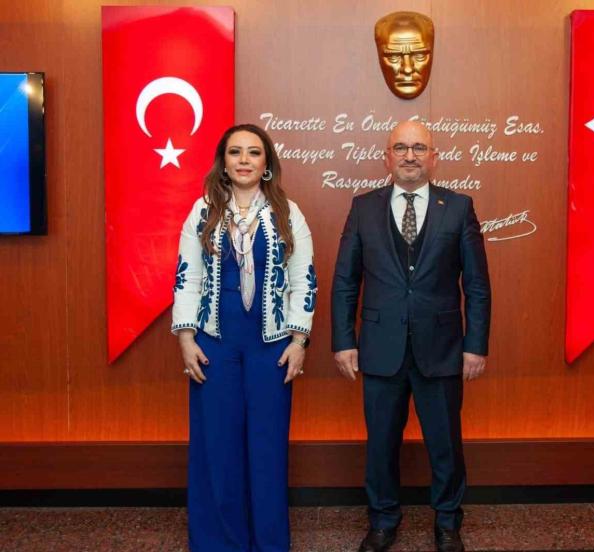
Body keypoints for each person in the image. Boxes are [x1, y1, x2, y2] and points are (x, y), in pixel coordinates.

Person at [331, 121, 491, 552]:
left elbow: (477, 285)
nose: (409, 155)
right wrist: (344, 340)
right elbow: (345, 281)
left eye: (419, 148)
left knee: (445, 444)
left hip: (442, 349)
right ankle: (382, 520)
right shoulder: (363, 208)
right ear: (386, 157)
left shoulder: (458, 207)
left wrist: (475, 345)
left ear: (434, 157)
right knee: (381, 443)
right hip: (380, 348)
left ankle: (448, 522)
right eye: (400, 147)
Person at [172, 123, 316, 552]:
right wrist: (186, 339)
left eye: (254, 152)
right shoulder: (203, 211)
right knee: (217, 445)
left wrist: (299, 342)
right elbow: (187, 278)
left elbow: (303, 280)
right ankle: (218, 543)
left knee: (267, 448)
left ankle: (268, 542)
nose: (244, 160)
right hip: (214, 345)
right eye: (235, 152)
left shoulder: (288, 213)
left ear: (266, 162)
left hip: (271, 348)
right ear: (223, 162)